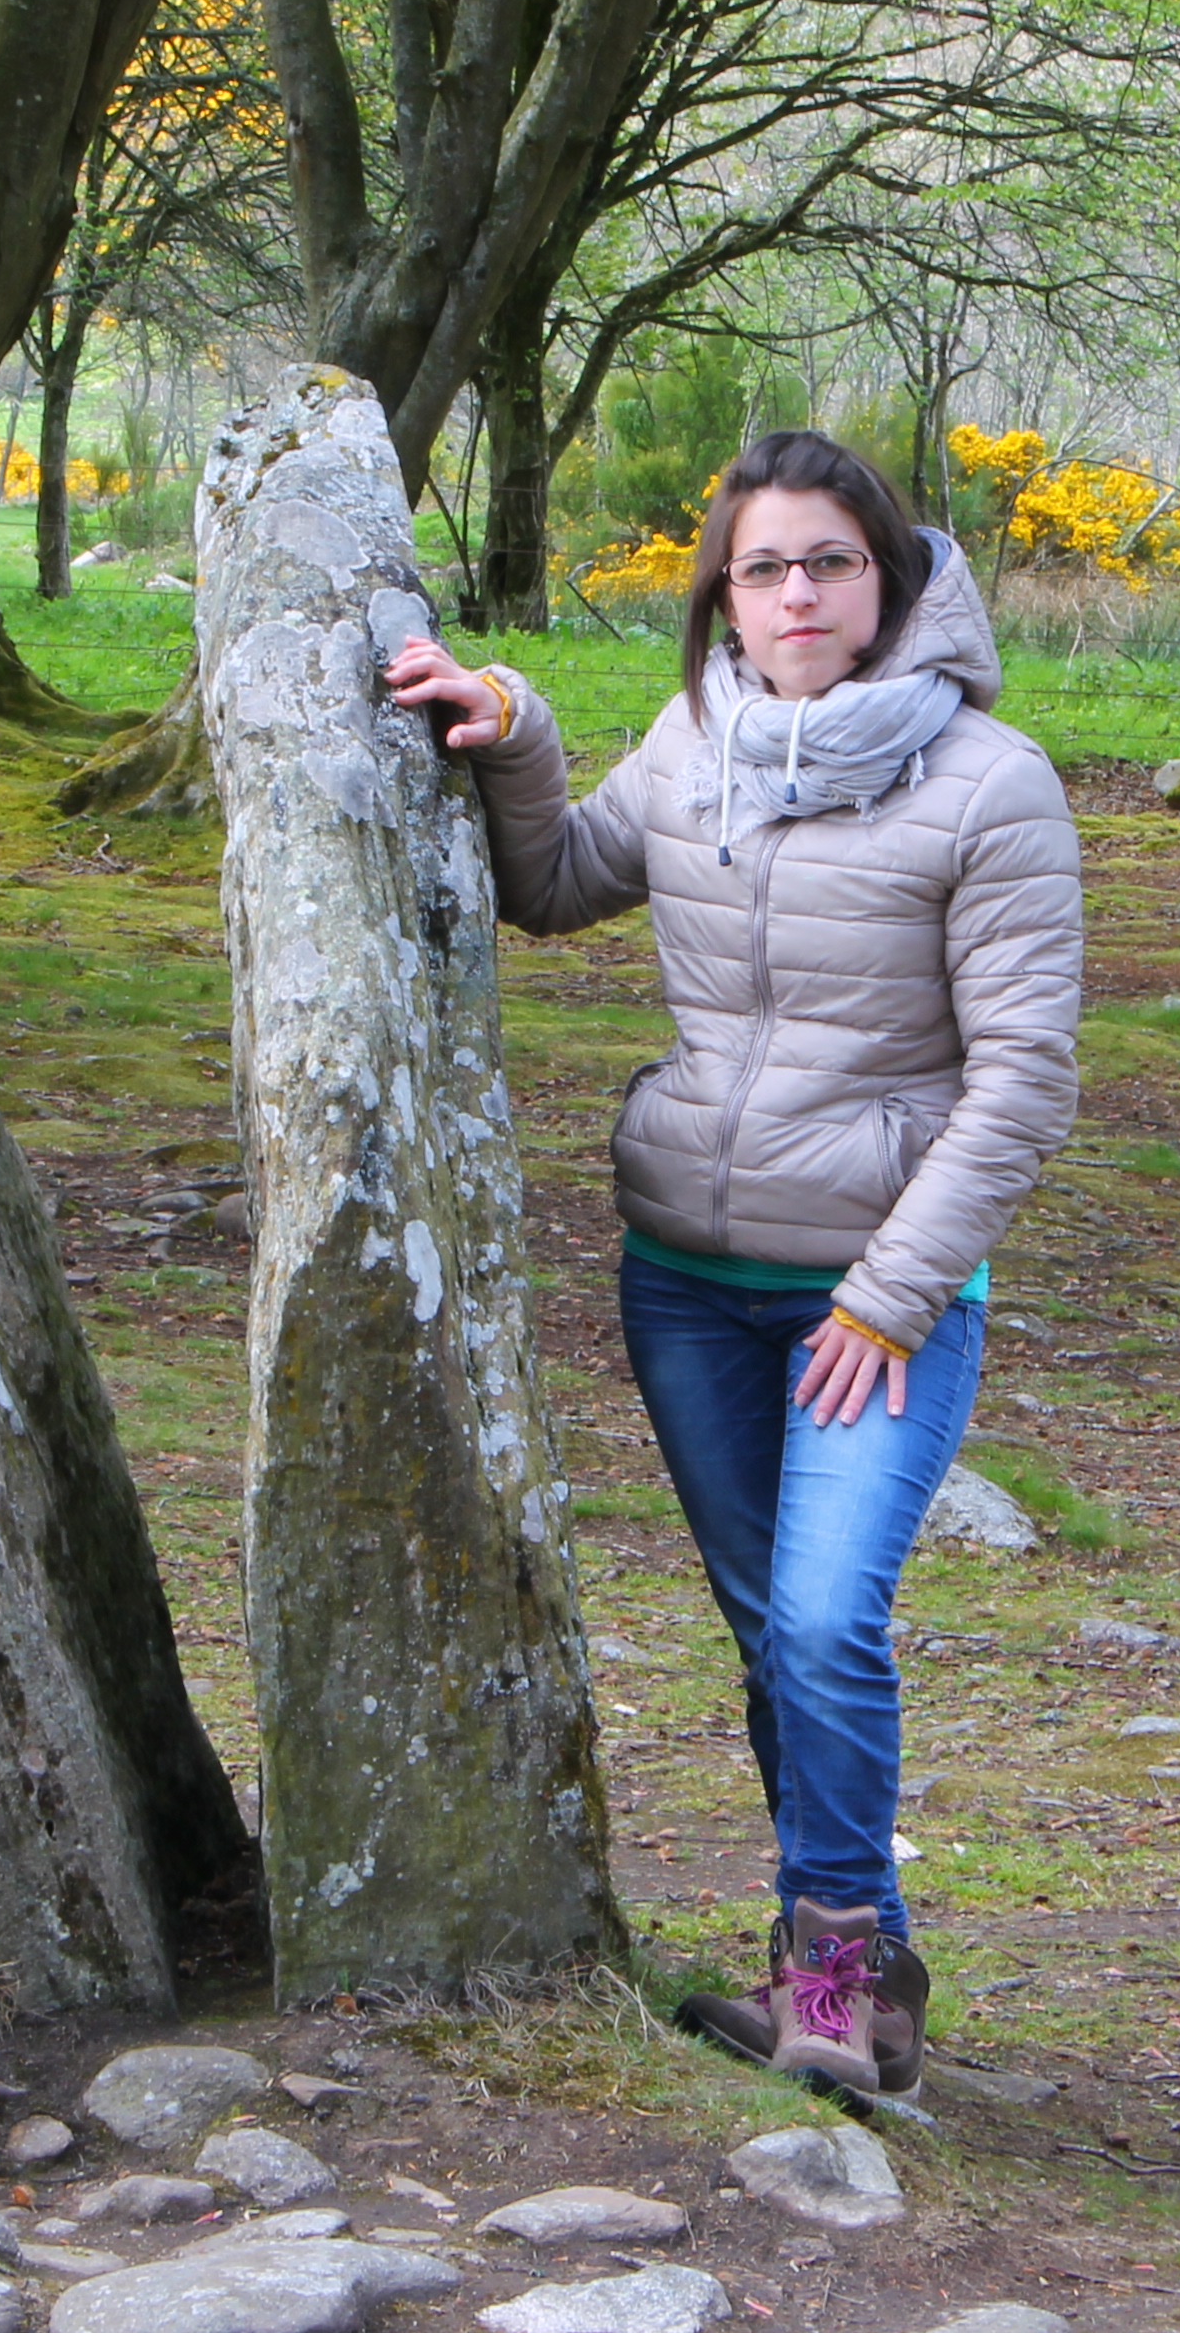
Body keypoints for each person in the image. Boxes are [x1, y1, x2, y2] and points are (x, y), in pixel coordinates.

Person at [384, 427, 1082, 2097]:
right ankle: (846, 1985)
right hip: (688, 1282)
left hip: (877, 1302)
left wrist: (888, 1295)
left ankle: (838, 1983)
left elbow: (1026, 1079)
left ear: (892, 581)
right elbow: (554, 884)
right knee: (775, 1633)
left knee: (831, 1621)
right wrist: (517, 727)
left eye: (829, 562)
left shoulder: (994, 785)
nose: (794, 594)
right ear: (722, 593)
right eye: (761, 567)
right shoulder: (693, 746)